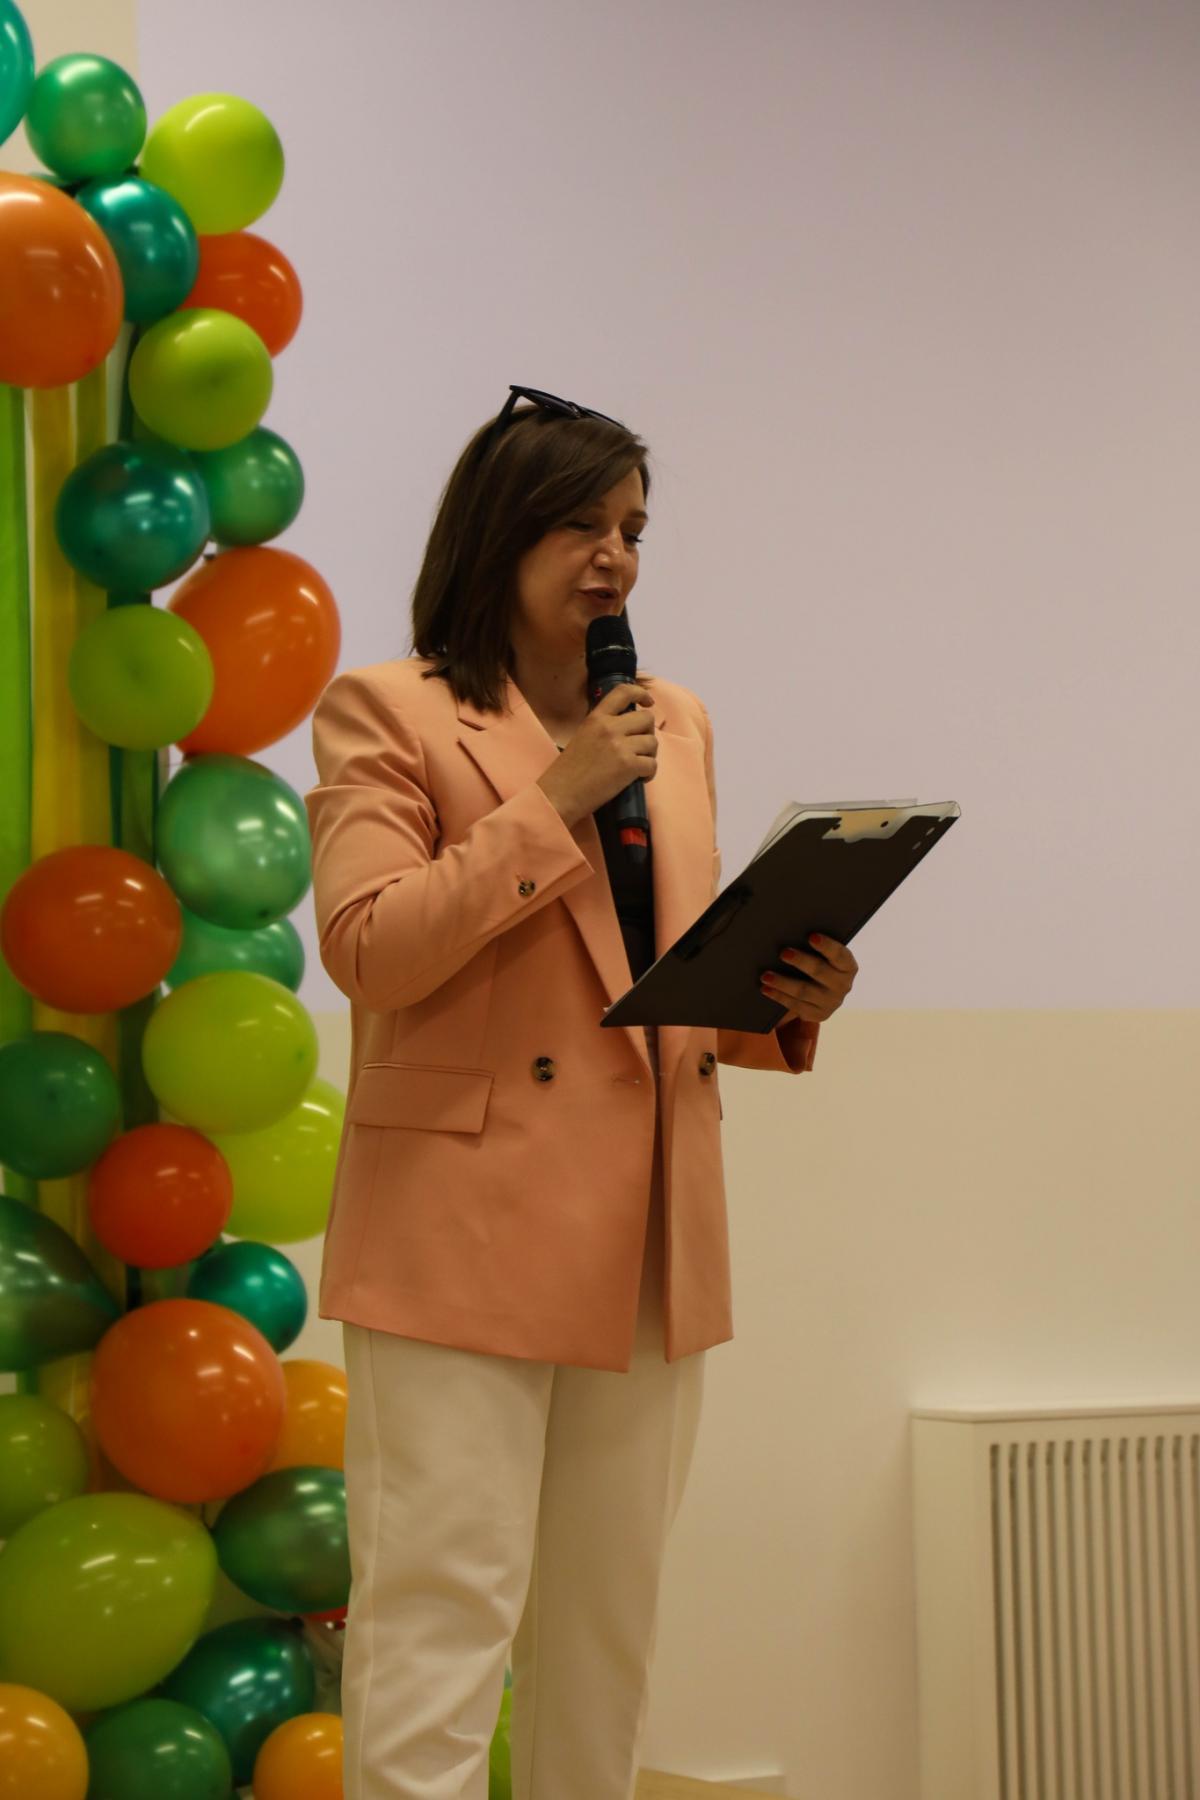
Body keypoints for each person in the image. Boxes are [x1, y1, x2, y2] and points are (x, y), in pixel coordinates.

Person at [304, 385, 845, 1800]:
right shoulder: (390, 709)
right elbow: (370, 951)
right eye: (580, 525)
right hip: (460, 1234)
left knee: (605, 1651)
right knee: (438, 1632)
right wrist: (555, 796)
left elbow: (650, 974)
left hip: (652, 1232)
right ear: (500, 532)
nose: (614, 558)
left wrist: (784, 997)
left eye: (634, 531)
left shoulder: (677, 723)